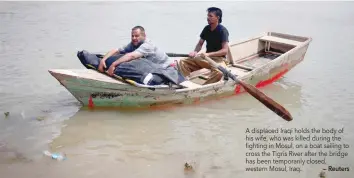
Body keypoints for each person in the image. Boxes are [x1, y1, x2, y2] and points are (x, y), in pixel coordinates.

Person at [178, 7, 230, 85]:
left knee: (219, 72)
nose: (208, 18)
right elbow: (200, 44)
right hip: (206, 58)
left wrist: (209, 54)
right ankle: (184, 83)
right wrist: (195, 52)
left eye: (210, 16)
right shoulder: (206, 28)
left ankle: (204, 87)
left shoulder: (222, 31)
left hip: (218, 59)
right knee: (182, 62)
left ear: (217, 18)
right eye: (207, 16)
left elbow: (225, 50)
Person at [97, 26, 173, 76]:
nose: (134, 38)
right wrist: (103, 59)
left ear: (144, 36)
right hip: (152, 66)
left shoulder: (147, 45)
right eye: (132, 36)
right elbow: (117, 50)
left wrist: (113, 65)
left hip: (166, 67)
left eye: (137, 36)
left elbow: (132, 55)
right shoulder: (134, 43)